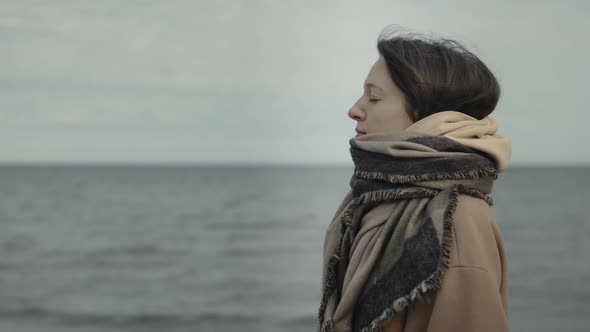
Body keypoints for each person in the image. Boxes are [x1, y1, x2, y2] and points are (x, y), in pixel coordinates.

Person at [317, 26, 512, 332]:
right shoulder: (376, 198)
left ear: (425, 113)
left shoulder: (456, 220)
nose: (354, 110)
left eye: (374, 98)